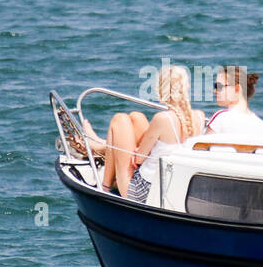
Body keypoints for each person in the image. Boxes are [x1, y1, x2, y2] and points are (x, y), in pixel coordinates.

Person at [84, 64, 201, 201]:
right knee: (136, 116)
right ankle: (101, 146)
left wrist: (136, 153)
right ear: (187, 88)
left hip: (145, 193)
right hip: (176, 188)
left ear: (161, 89)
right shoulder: (199, 117)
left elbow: (139, 159)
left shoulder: (162, 119)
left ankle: (104, 186)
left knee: (120, 119)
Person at [204, 65, 263, 136]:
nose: (214, 91)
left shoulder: (220, 118)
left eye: (219, 86)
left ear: (237, 89)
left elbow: (201, 145)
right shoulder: (260, 124)